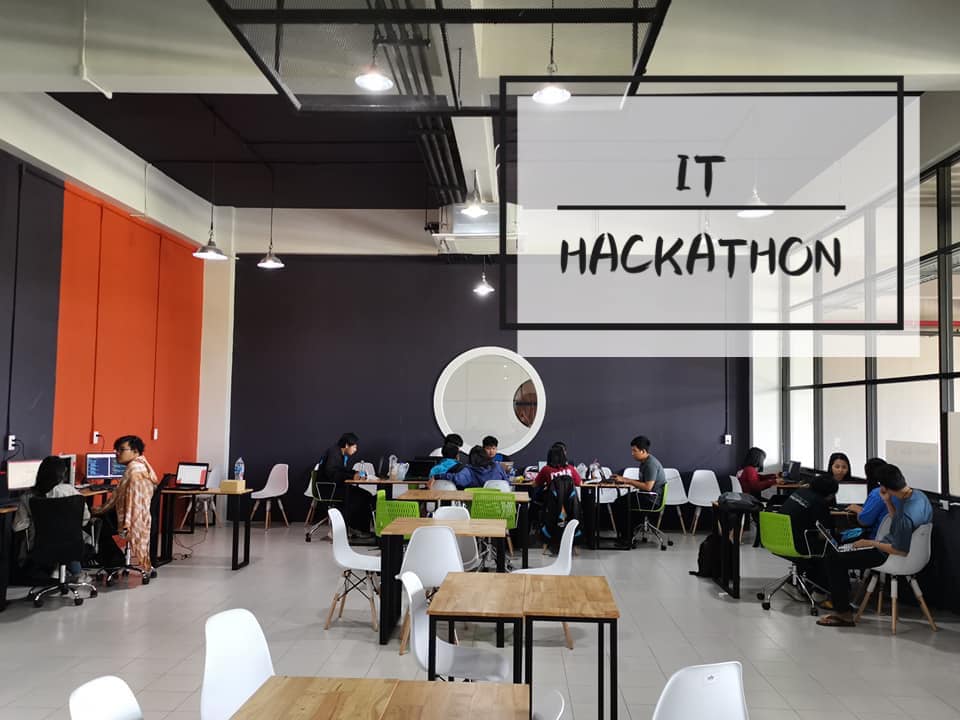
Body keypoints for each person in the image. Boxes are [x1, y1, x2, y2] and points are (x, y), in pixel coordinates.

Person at [817, 463, 933, 627]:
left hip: (891, 555)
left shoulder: (906, 516)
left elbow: (899, 550)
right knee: (839, 554)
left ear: (884, 487)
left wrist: (869, 543)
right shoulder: (918, 496)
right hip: (914, 554)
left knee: (833, 558)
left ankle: (843, 614)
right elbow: (896, 521)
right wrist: (888, 502)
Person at [13, 455, 94, 579]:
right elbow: (85, 519)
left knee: (57, 543)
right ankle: (76, 574)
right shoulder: (70, 491)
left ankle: (55, 572)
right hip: (72, 543)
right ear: (62, 475)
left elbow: (18, 526)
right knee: (67, 540)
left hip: (41, 545)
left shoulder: (27, 497)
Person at [92, 436, 159, 574]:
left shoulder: (133, 471)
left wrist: (96, 510)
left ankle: (114, 562)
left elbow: (116, 501)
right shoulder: (143, 465)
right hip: (143, 517)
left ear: (135, 451)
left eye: (121, 450)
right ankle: (114, 560)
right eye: (116, 450)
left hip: (131, 520)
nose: (117, 453)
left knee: (92, 523)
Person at [610, 436, 667, 546]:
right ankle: (626, 536)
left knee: (620, 503)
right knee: (621, 502)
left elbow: (648, 487)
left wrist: (627, 480)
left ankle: (627, 538)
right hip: (647, 496)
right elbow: (643, 482)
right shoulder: (644, 462)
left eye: (634, 451)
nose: (632, 453)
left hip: (651, 500)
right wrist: (624, 480)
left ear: (643, 451)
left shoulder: (650, 464)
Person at [321, 432, 374, 535]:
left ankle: (357, 529)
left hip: (335, 487)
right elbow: (332, 474)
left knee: (365, 495)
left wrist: (354, 473)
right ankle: (354, 529)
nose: (355, 449)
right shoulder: (334, 453)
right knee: (361, 496)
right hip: (329, 489)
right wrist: (352, 476)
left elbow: (341, 471)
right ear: (346, 445)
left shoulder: (338, 452)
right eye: (354, 447)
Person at [778, 474, 838, 558]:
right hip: (801, 545)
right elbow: (823, 536)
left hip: (781, 540)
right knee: (838, 549)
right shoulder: (820, 502)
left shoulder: (800, 491)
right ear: (831, 494)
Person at [847, 458, 901, 539]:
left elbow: (864, 522)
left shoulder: (878, 493)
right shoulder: (901, 491)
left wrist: (858, 510)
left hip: (876, 540)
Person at [435, 445, 510, 489]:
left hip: (475, 507)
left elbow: (458, 479)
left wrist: (438, 476)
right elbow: (507, 483)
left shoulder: (468, 470)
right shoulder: (497, 467)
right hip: (499, 507)